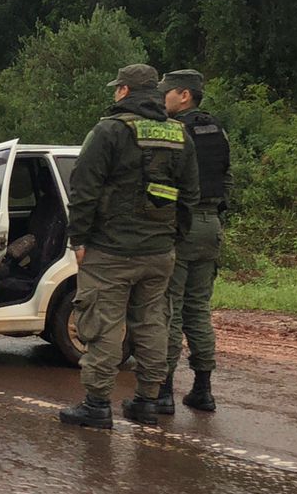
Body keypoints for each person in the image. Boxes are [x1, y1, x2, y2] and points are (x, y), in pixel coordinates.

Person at [59, 63, 199, 430]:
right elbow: (190, 196)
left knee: (103, 325)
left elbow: (84, 189)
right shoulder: (180, 135)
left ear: (124, 91)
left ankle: (97, 404)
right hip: (159, 252)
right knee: (152, 324)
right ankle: (147, 401)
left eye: (117, 87)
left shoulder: (109, 131)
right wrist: (174, 238)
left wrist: (78, 238)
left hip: (110, 251)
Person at [155, 69, 232, 415]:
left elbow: (163, 184)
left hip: (180, 226)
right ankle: (203, 389)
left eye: (167, 93)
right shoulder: (218, 131)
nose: (162, 99)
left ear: (184, 95)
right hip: (210, 224)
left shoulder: (174, 132)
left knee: (169, 309)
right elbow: (227, 181)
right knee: (198, 310)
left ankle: (163, 391)